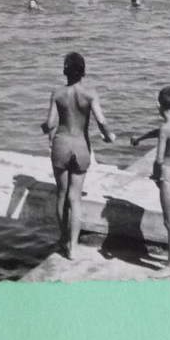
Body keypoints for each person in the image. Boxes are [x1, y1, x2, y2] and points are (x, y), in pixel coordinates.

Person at [42, 52, 116, 259]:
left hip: (62, 143)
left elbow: (49, 124)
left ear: (65, 71)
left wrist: (43, 128)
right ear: (83, 71)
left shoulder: (57, 93)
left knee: (61, 194)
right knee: (75, 198)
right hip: (81, 146)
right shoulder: (90, 94)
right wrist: (108, 134)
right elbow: (101, 120)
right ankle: (73, 248)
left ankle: (63, 240)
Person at [130, 86, 170, 270]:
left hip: (168, 176)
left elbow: (159, 158)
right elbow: (162, 133)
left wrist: (155, 176)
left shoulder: (164, 128)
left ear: (158, 105)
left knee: (169, 222)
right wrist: (141, 138)